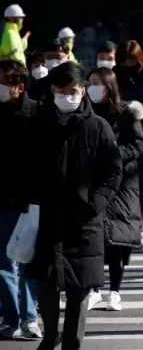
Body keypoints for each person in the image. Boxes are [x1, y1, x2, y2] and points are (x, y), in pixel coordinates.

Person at [26, 61, 122, 350]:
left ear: (82, 92)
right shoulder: (37, 124)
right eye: (62, 90)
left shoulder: (97, 126)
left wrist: (94, 205)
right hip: (46, 217)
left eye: (74, 90)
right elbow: (21, 166)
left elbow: (112, 172)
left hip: (84, 221)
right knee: (45, 283)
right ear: (52, 89)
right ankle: (50, 334)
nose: (68, 95)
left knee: (80, 289)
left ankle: (72, 342)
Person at [86, 67, 143, 310]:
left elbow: (137, 145)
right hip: (91, 182)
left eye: (97, 82)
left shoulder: (125, 113)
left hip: (121, 184)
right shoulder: (84, 111)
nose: (92, 87)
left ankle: (115, 292)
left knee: (116, 242)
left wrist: (112, 156)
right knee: (94, 239)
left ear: (109, 86)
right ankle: (94, 290)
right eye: (90, 82)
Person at [0, 59, 41, 339]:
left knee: (28, 259)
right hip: (1, 197)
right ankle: (11, 317)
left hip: (29, 199)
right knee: (3, 260)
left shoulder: (37, 114)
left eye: (3, 83)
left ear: (19, 87)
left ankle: (29, 317)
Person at [113, 40, 143, 223]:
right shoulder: (113, 79)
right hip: (118, 137)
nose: (128, 67)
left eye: (132, 62)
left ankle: (137, 223)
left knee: (142, 185)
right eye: (124, 63)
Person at [28, 39, 71, 105]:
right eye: (49, 57)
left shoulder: (79, 84)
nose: (53, 60)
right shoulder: (36, 87)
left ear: (68, 57)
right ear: (44, 57)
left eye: (58, 57)